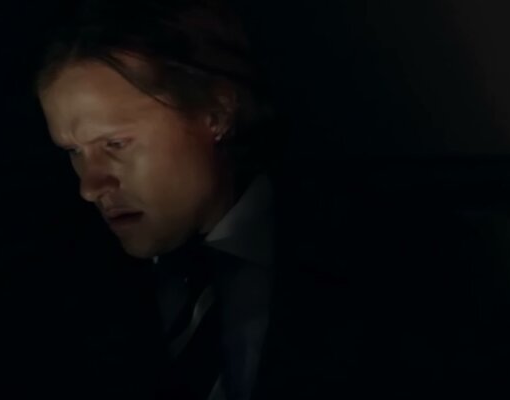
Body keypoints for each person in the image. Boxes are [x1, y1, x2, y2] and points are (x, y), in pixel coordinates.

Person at [35, 1, 459, 399]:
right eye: (73, 151)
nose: (90, 186)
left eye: (115, 144)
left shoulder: (386, 260)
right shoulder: (59, 290)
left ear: (216, 112)